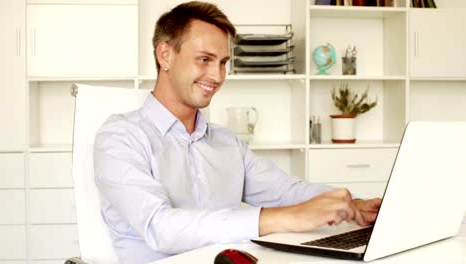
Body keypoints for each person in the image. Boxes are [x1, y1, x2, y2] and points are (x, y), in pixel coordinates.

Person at [93, 1, 382, 264]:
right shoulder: (120, 137)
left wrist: (348, 205)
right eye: (204, 60)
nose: (218, 77)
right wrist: (283, 219)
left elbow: (284, 192)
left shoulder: (226, 142)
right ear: (165, 55)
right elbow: (160, 227)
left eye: (223, 63)